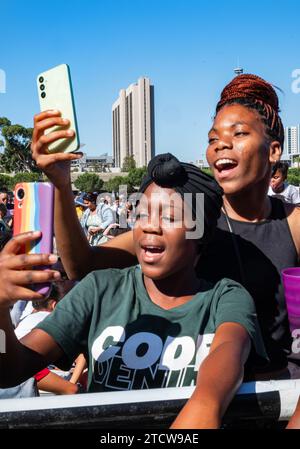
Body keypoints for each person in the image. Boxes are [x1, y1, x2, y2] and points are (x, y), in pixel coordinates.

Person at [27, 74, 300, 382]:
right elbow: (81, 265)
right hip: (190, 396)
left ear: (274, 151)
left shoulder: (294, 224)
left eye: (238, 134)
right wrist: (62, 185)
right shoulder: (190, 215)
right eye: (212, 138)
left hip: (277, 403)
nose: (221, 144)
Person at [0, 153, 267, 429]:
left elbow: (228, 352)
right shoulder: (100, 289)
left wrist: (205, 403)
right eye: (141, 214)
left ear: (201, 232)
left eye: (170, 217)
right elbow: (10, 369)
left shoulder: (226, 298)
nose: (150, 226)